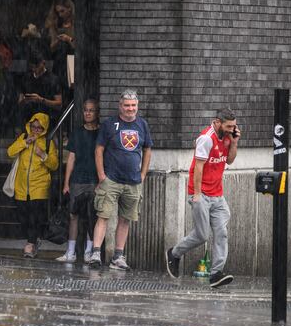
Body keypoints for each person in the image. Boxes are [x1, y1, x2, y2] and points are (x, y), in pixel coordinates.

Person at [166, 108, 241, 288]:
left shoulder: (229, 136)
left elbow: (229, 161)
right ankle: (174, 253)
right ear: (217, 122)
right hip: (201, 193)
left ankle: (216, 273)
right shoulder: (206, 139)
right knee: (201, 235)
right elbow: (198, 167)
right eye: (229, 126)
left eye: (234, 126)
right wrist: (197, 195)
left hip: (217, 195)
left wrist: (235, 142)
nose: (232, 129)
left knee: (221, 232)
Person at [88, 89, 153, 270]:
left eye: (133, 105)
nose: (130, 109)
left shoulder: (143, 125)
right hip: (111, 179)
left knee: (125, 219)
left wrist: (143, 174)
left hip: (133, 181)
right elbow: (99, 149)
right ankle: (95, 253)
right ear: (120, 106)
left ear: (137, 106)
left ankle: (118, 257)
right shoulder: (110, 124)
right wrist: (101, 175)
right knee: (103, 215)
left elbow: (148, 149)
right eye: (126, 105)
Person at [7, 112, 59, 258]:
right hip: (21, 184)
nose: (35, 130)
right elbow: (10, 152)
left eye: (39, 128)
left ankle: (30, 244)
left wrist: (43, 155)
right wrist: (25, 143)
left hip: (39, 185)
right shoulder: (24, 138)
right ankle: (34, 240)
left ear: (44, 129)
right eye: (33, 126)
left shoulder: (48, 143)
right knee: (23, 215)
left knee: (34, 216)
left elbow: (54, 165)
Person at [56, 98, 99, 263]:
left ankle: (89, 251)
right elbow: (71, 158)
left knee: (92, 216)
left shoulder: (100, 133)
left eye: (91, 110)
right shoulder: (77, 133)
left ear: (97, 112)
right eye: (85, 110)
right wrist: (66, 182)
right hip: (77, 179)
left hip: (95, 179)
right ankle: (71, 251)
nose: (87, 113)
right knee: (73, 215)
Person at [18, 51, 62, 125]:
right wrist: (25, 100)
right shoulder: (26, 78)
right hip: (29, 117)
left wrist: (41, 100)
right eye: (32, 67)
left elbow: (59, 104)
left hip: (47, 117)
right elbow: (19, 101)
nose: (34, 69)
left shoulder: (53, 79)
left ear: (43, 63)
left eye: (37, 67)